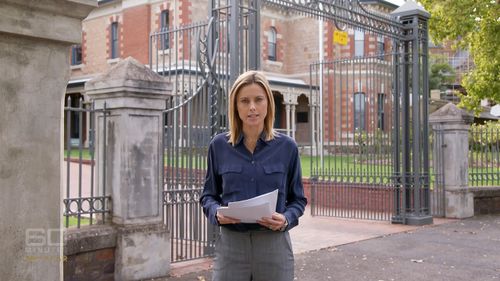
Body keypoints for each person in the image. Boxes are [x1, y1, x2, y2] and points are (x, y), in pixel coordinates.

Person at [200, 70, 307, 281]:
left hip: (273, 246)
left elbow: (298, 200)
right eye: (244, 101)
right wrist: (216, 213)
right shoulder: (219, 146)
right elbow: (208, 196)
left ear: (268, 103)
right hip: (232, 246)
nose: (252, 107)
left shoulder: (287, 148)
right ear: (235, 106)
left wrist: (286, 219)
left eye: (258, 99)